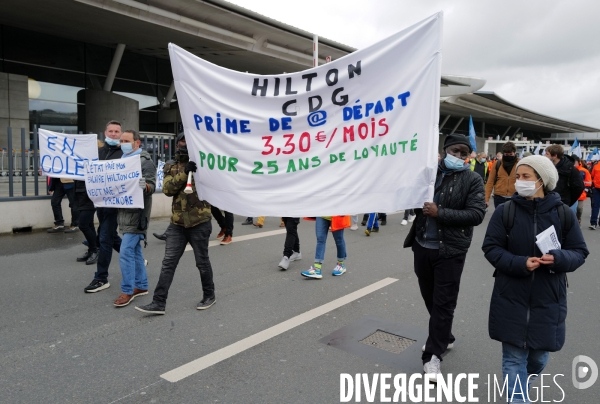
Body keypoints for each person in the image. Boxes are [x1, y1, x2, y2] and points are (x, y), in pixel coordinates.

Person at [482, 155, 588, 403]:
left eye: (525, 177)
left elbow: (579, 251)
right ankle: (518, 396)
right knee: (513, 358)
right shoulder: (504, 211)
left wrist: (559, 258)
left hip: (548, 297)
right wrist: (520, 263)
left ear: (542, 180)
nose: (519, 181)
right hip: (510, 295)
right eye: (518, 176)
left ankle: (522, 384)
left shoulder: (563, 214)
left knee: (538, 358)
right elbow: (491, 248)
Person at [403, 134, 486, 381]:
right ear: (445, 150)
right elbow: (412, 199)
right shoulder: (429, 175)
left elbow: (476, 214)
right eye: (455, 151)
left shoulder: (472, 179)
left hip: (450, 250)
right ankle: (445, 335)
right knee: (430, 297)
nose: (459, 156)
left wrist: (441, 212)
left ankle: (433, 356)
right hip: (422, 246)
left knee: (443, 302)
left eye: (465, 153)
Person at [136, 132, 215, 315]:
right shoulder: (171, 165)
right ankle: (158, 302)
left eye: (187, 141)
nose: (184, 144)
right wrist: (185, 171)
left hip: (199, 222)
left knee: (202, 262)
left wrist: (199, 168)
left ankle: (209, 295)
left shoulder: (205, 163)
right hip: (177, 224)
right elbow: (167, 189)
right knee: (168, 263)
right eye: (181, 141)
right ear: (177, 144)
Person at [113, 130, 156, 307]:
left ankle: (127, 290)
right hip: (124, 213)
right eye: (122, 140)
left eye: (126, 140)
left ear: (137, 143)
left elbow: (152, 186)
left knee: (125, 253)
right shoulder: (122, 160)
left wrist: (144, 185)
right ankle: (142, 285)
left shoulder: (145, 162)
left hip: (138, 216)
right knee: (136, 252)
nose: (123, 143)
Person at [84, 120, 124, 293]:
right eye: (111, 131)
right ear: (105, 132)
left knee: (105, 238)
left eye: (117, 131)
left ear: (120, 134)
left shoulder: (125, 154)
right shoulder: (97, 153)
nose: (113, 134)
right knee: (110, 235)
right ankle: (134, 257)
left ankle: (101, 278)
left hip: (115, 204)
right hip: (99, 203)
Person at [544, 145, 584, 214]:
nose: (544, 156)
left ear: (555, 156)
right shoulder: (547, 167)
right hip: (548, 203)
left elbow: (579, 187)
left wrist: (568, 200)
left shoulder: (570, 169)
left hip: (562, 205)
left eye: (547, 154)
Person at [485, 142, 519, 209]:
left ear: (514, 153)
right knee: (500, 218)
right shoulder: (497, 164)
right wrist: (486, 199)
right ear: (503, 153)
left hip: (515, 197)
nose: (508, 156)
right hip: (499, 197)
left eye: (510, 154)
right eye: (506, 154)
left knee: (513, 218)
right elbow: (490, 181)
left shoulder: (520, 164)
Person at [573, 156, 591, 225]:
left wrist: (586, 191)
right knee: (572, 210)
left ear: (578, 162)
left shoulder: (584, 171)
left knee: (579, 208)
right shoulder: (570, 169)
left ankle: (578, 218)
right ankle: (574, 222)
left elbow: (588, 182)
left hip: (581, 193)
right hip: (572, 193)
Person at [590, 157, 600, 229]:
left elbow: (592, 175)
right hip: (596, 188)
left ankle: (593, 223)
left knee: (595, 206)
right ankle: (594, 223)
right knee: (595, 206)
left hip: (596, 188)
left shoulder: (596, 166)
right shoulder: (596, 166)